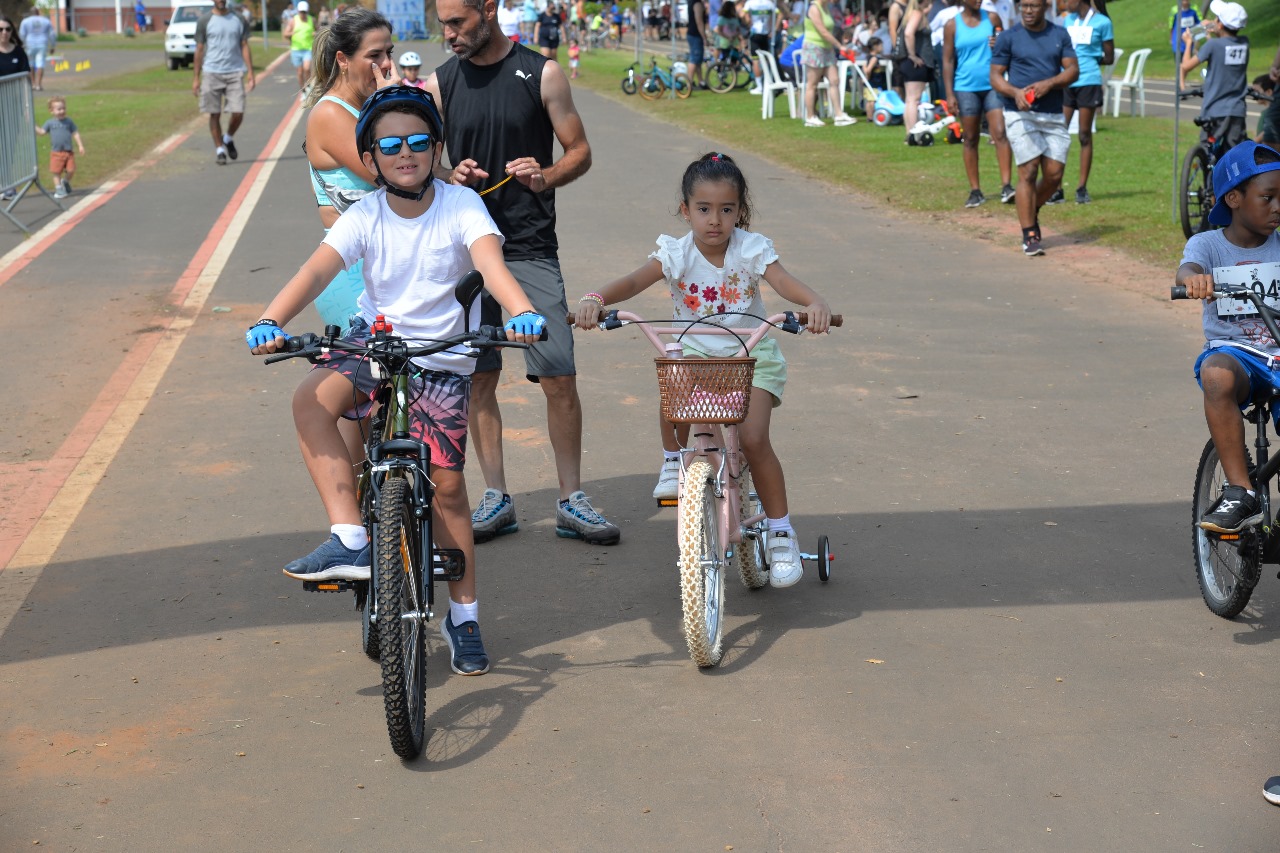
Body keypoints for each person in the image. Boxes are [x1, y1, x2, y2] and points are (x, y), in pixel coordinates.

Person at [248, 86, 544, 675]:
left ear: (435, 147)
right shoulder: (364, 215)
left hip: (442, 355)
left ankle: (464, 618)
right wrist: (270, 319)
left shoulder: (460, 205)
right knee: (310, 402)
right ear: (371, 158)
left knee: (450, 488)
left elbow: (491, 264)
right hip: (375, 343)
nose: (404, 153)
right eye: (389, 145)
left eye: (416, 142)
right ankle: (350, 536)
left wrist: (518, 310)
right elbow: (316, 269)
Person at [573, 153, 833, 585]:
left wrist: (814, 303)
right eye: (704, 209)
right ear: (686, 210)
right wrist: (595, 298)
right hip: (696, 355)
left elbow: (783, 282)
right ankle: (674, 461)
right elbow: (635, 281)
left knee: (753, 439)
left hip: (750, 355)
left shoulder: (751, 250)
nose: (715, 220)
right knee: (671, 378)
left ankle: (781, 529)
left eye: (727, 210)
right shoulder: (676, 254)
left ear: (739, 212)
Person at [427, 0, 620, 547]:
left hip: (530, 248)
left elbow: (579, 150)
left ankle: (571, 499)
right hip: (466, 254)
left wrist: (547, 175)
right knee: (478, 377)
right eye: (443, 23)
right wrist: (448, 173)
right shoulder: (441, 84)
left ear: (488, 10)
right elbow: (421, 161)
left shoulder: (542, 72)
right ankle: (497, 498)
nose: (450, 33)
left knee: (558, 375)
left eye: (458, 22)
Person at [1178, 141, 1280, 535]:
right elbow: (1188, 268)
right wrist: (1194, 280)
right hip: (1238, 354)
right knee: (1216, 374)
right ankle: (1240, 491)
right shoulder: (1210, 245)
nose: (1277, 207)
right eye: (1267, 197)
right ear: (1233, 198)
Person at [303, 8, 395, 327]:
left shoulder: (365, 108)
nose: (386, 64)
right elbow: (394, 175)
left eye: (388, 53)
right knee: (359, 374)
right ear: (343, 59)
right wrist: (394, 103)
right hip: (351, 271)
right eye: (375, 55)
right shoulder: (330, 114)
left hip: (385, 261)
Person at [990, 0, 1077, 257]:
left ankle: (1031, 207)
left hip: (1052, 112)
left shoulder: (1059, 34)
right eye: (1024, 5)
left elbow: (1072, 70)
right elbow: (995, 76)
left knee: (1054, 175)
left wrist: (1050, 84)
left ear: (1045, 7)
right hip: (1020, 113)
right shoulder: (1008, 37)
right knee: (1028, 170)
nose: (1028, 10)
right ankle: (1029, 233)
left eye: (1034, 5)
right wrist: (1015, 92)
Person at [943, 0, 1013, 207]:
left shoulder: (992, 18)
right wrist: (949, 94)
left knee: (999, 132)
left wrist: (998, 45)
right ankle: (975, 191)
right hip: (965, 87)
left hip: (992, 84)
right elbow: (947, 61)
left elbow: (1006, 48)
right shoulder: (952, 25)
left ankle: (1007, 186)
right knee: (970, 138)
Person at [1048, 0, 1112, 205]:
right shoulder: (1068, 21)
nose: (1065, 4)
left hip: (1088, 82)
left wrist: (1089, 59)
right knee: (1060, 132)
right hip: (1067, 80)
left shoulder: (1102, 22)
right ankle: (1056, 189)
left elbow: (1109, 57)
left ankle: (1081, 188)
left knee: (1084, 135)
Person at [1181, 0, 1250, 155]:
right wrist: (1211, 36)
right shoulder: (1244, 44)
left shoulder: (1213, 46)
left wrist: (1188, 42)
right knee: (1234, 155)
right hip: (1236, 111)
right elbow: (1224, 52)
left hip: (1214, 110)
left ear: (1219, 24)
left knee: (1209, 153)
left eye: (1216, 18)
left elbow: (1185, 66)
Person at [193, 0, 255, 166]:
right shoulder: (204, 21)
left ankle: (227, 138)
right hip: (211, 72)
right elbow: (199, 49)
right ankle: (219, 150)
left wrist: (250, 72)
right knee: (214, 113)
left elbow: (244, 45)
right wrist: (196, 78)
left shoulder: (239, 19)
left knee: (238, 111)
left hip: (234, 72)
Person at [800, 0, 854, 127]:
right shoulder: (814, 8)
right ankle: (810, 116)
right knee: (812, 84)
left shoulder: (826, 7)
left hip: (827, 48)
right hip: (814, 48)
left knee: (834, 80)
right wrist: (839, 46)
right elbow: (823, 31)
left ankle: (839, 115)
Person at [896, 0, 933, 142]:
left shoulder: (910, 13)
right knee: (914, 100)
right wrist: (912, 55)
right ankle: (913, 132)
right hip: (915, 62)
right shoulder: (917, 13)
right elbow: (908, 33)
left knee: (910, 100)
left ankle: (910, 133)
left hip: (907, 63)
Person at [35, 95, 84, 200]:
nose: (62, 111)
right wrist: (33, 125)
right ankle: (58, 189)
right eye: (59, 109)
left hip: (68, 152)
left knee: (71, 170)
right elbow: (42, 132)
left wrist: (80, 145)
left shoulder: (69, 122)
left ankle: (65, 181)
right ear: (51, 111)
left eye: (63, 108)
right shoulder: (50, 123)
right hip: (56, 153)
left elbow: (75, 133)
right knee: (56, 172)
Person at [18, 6, 53, 92]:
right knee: (40, 64)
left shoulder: (25, 21)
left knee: (30, 64)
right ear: (38, 12)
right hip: (42, 43)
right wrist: (53, 45)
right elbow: (52, 34)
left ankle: (33, 84)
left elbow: (22, 34)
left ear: (30, 13)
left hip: (30, 44)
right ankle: (38, 84)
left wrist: (21, 44)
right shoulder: (45, 20)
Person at [283, 0, 316, 94]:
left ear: (307, 11)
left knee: (306, 68)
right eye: (301, 12)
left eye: (304, 12)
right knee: (300, 72)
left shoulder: (311, 19)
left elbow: (317, 29)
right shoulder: (293, 21)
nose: (303, 14)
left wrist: (315, 33)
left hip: (307, 48)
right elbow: (285, 33)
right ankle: (303, 89)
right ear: (298, 11)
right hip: (296, 50)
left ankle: (308, 84)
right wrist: (291, 33)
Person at [1171, 0, 1202, 89]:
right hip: (1178, 43)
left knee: (1186, 65)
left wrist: (1197, 42)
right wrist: (1171, 39)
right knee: (1180, 65)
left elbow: (1198, 25)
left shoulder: (1194, 10)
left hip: (1189, 42)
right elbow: (1171, 26)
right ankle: (1181, 87)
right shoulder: (1175, 11)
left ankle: (1181, 83)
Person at [0, 16, 30, 80]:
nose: (4, 32)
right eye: (1, 29)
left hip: (16, 89)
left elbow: (26, 74)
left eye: (8, 29)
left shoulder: (19, 51)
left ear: (12, 31)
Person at [687, 0, 708, 87]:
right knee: (694, 59)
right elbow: (699, 21)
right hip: (695, 34)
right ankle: (689, 82)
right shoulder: (697, 4)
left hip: (692, 33)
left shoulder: (692, 2)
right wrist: (704, 37)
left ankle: (700, 81)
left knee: (698, 60)